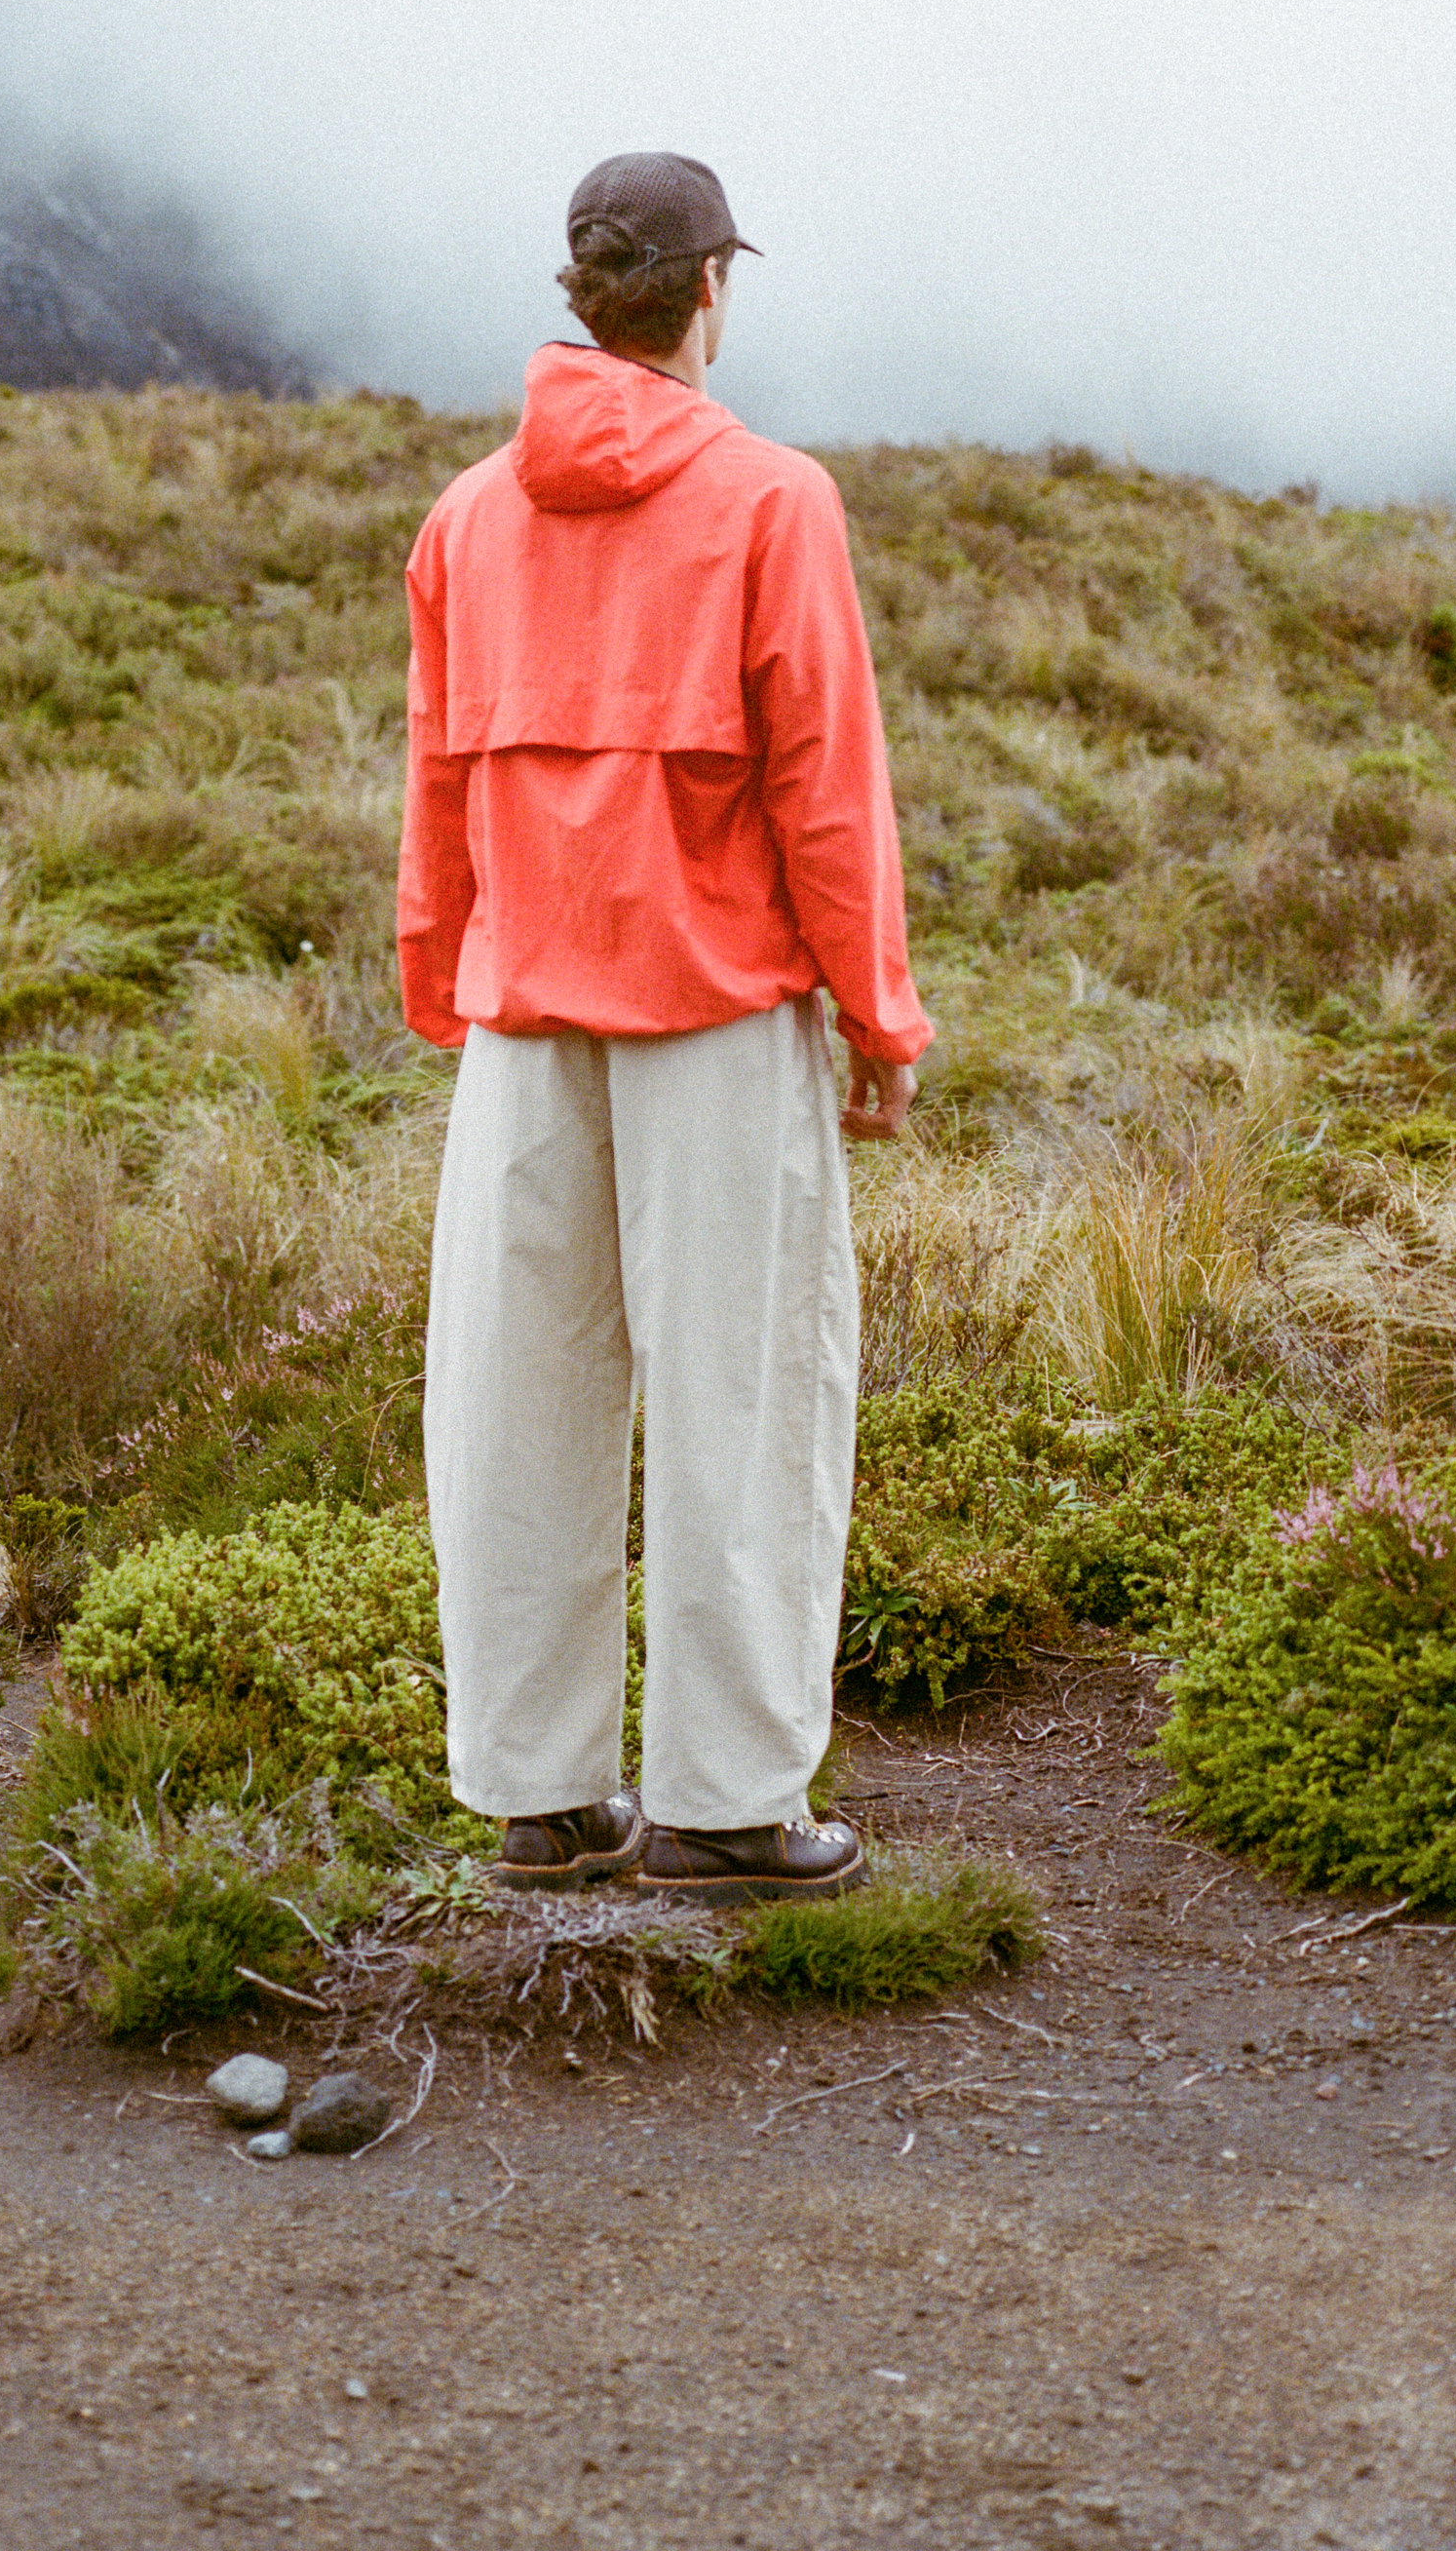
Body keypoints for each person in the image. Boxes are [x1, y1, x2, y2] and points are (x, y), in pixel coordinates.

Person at [397, 151, 932, 1902]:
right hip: (711, 1018)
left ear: (583, 295)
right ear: (709, 291)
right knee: (747, 1395)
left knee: (515, 1400)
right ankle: (725, 1805)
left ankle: (538, 1799)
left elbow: (436, 788)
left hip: (521, 1022)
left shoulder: (468, 518)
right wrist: (877, 1013)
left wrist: (440, 979)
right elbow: (825, 789)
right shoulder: (774, 502)